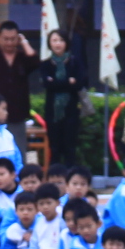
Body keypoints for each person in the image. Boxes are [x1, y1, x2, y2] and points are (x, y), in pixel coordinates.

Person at [0, 21, 38, 148]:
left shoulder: (22, 57)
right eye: (6, 39)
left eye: (13, 39)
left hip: (17, 115)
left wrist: (24, 42)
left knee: (18, 149)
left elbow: (35, 62)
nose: (9, 43)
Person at [39, 28, 86, 173]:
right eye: (54, 40)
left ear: (66, 43)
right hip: (52, 112)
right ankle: (55, 176)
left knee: (70, 146)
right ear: (49, 43)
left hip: (71, 111)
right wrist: (68, 82)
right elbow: (48, 85)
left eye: (61, 40)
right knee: (54, 147)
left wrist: (57, 82)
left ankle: (69, 176)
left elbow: (79, 83)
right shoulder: (46, 64)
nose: (58, 44)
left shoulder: (74, 62)